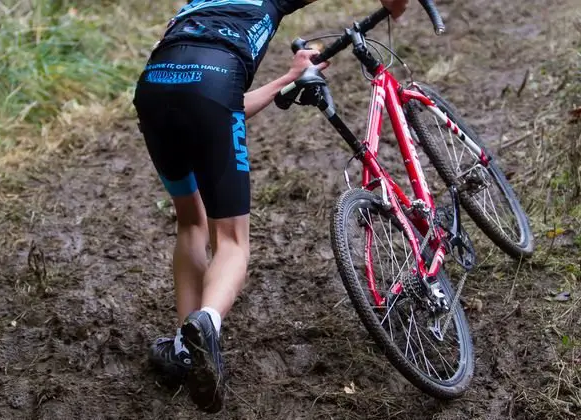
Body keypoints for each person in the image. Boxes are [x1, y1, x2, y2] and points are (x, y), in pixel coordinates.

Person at [132, 0, 409, 413]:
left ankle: (183, 349)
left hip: (154, 86)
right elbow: (218, 101)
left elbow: (224, 106)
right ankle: (207, 321)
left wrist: (290, 77)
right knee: (231, 241)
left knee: (191, 221)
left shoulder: (193, 7)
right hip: (214, 86)